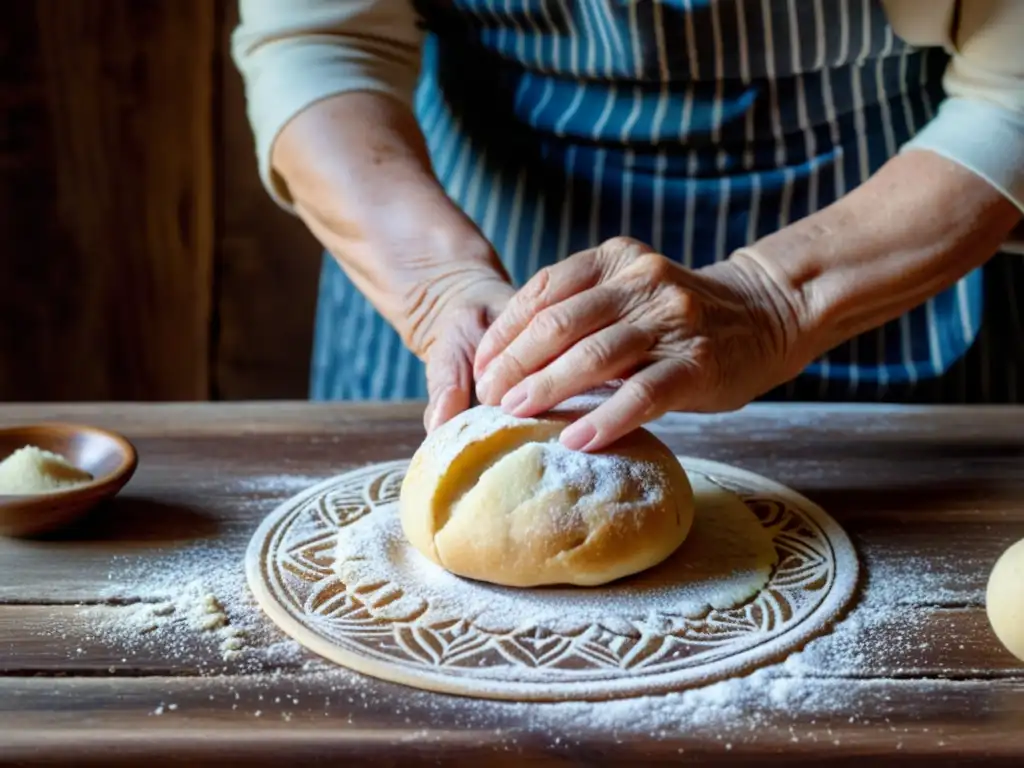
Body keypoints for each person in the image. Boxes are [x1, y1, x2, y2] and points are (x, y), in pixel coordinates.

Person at [232, 0, 1023, 453]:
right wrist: (438, 288)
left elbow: (1011, 91)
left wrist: (775, 301)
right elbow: (321, 40)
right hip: (454, 222)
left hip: (879, 238)